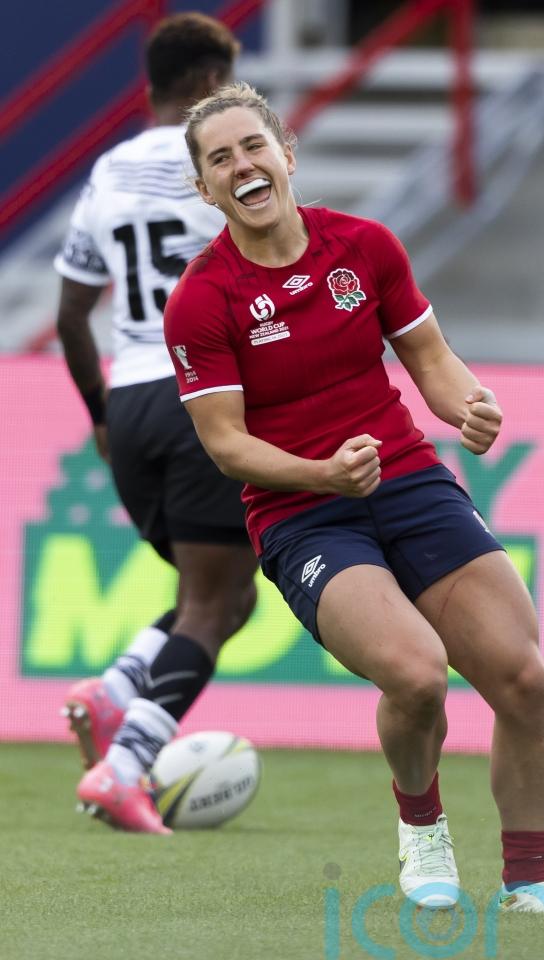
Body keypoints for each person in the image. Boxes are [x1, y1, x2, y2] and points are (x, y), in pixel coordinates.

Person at [163, 81, 544, 914]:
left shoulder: (364, 247)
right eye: (220, 159)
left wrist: (468, 406)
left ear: (286, 154)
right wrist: (322, 473)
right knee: (416, 675)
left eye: (253, 146)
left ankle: (529, 880)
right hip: (302, 513)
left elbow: (430, 358)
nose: (241, 165)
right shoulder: (202, 300)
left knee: (523, 679)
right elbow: (226, 444)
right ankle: (422, 828)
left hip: (409, 482)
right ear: (206, 187)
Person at [54, 15, 258, 835]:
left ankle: (115, 689)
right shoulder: (224, 162)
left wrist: (100, 414)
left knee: (225, 596)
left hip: (132, 401)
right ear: (210, 83)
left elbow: (71, 315)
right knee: (214, 604)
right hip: (202, 396)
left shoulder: (108, 170)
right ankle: (125, 766)